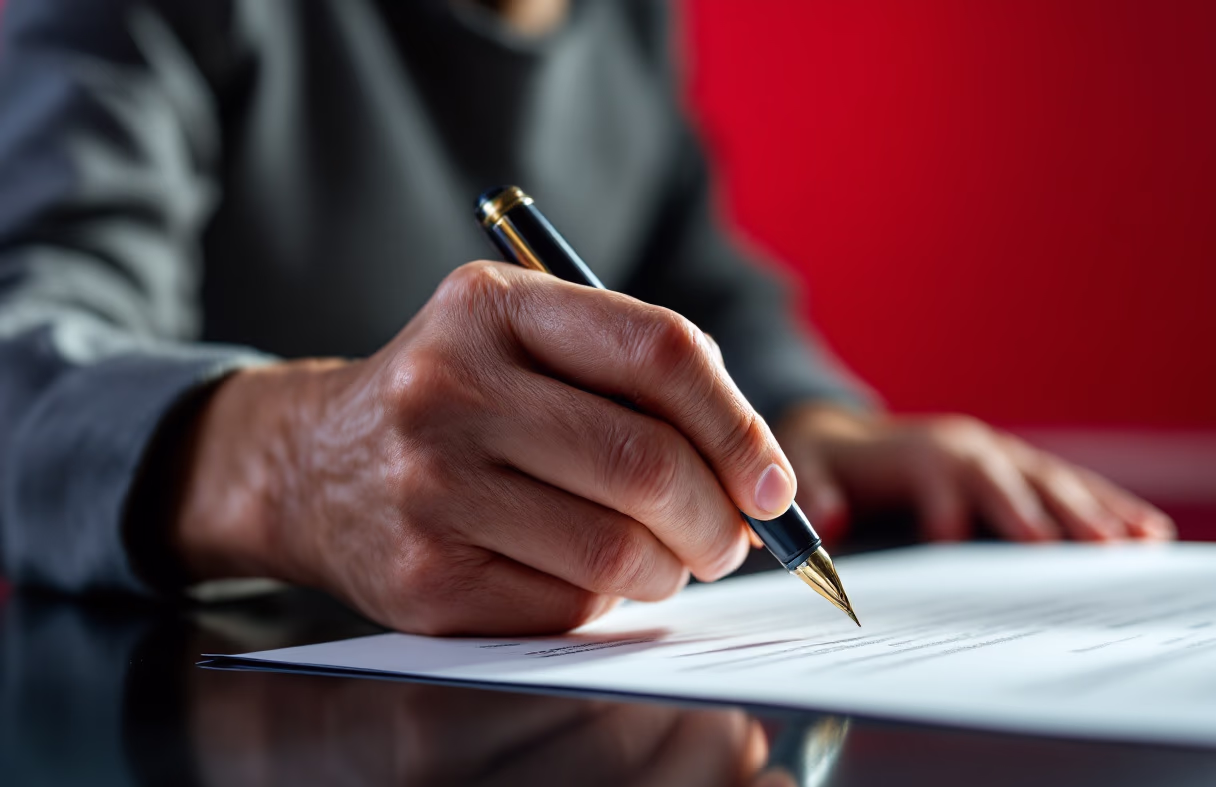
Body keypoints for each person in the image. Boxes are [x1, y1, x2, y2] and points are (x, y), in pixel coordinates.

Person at [0, 0, 1173, 635]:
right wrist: (297, 463)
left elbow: (689, 280)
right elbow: (27, 347)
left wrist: (815, 425)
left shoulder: (625, 20)